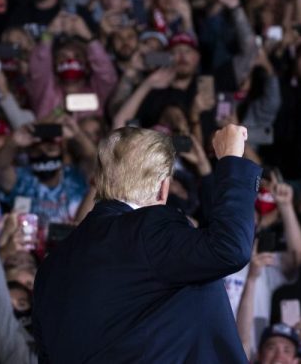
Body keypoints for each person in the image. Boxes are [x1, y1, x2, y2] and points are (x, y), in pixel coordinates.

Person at [34, 124, 261, 362]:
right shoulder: (147, 230)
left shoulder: (51, 266)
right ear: (164, 189)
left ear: (98, 181)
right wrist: (231, 159)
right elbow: (230, 248)